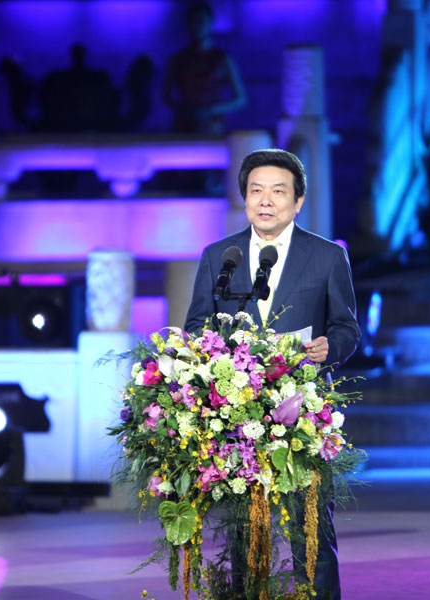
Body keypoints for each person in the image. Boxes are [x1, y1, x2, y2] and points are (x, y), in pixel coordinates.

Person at [185, 149, 361, 600]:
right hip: (234, 417)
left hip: (301, 414)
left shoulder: (326, 257)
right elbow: (195, 327)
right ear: (244, 198)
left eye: (278, 192)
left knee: (310, 534)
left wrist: (330, 348)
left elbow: (346, 328)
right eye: (255, 191)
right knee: (243, 535)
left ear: (298, 201)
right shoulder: (217, 257)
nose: (266, 201)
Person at [162, 1, 246, 135]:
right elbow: (166, 96)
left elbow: (241, 99)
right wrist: (184, 110)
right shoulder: (178, 59)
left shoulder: (222, 58)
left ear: (210, 23)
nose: (196, 26)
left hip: (212, 127)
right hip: (183, 126)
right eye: (193, 21)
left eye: (201, 21)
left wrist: (210, 110)